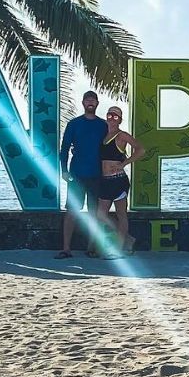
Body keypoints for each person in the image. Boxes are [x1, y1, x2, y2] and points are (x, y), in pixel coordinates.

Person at [56, 91, 108, 259]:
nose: (90, 102)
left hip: (97, 175)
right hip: (76, 174)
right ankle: (66, 249)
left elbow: (111, 149)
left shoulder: (103, 125)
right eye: (87, 99)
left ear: (97, 103)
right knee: (72, 211)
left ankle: (91, 248)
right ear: (83, 103)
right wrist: (63, 170)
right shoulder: (74, 124)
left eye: (93, 100)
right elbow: (64, 149)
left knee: (94, 213)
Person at [93, 106, 145, 258]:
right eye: (110, 115)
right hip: (105, 180)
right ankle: (127, 240)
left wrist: (124, 164)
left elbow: (140, 150)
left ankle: (119, 249)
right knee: (100, 215)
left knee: (121, 214)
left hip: (118, 181)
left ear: (120, 119)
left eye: (116, 116)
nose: (112, 118)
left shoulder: (122, 135)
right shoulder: (103, 135)